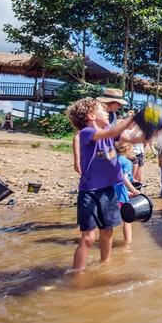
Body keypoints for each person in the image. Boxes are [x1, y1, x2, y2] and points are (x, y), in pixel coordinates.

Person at [66, 98, 143, 271]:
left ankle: (104, 267)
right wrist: (133, 118)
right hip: (90, 192)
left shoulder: (109, 129)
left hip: (109, 191)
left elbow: (132, 138)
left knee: (107, 232)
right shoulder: (85, 133)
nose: (107, 113)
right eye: (103, 111)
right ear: (91, 116)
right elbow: (111, 133)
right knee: (88, 238)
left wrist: (151, 129)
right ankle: (77, 274)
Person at [72, 88, 128, 174]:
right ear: (110, 102)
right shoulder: (97, 114)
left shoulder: (112, 115)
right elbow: (78, 136)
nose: (120, 106)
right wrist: (77, 159)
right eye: (118, 103)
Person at [114, 141, 140, 244]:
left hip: (110, 195)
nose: (133, 152)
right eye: (132, 150)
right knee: (127, 220)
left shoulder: (113, 160)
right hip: (120, 196)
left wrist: (127, 191)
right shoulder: (126, 162)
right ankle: (128, 244)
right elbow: (124, 178)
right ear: (127, 150)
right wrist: (134, 190)